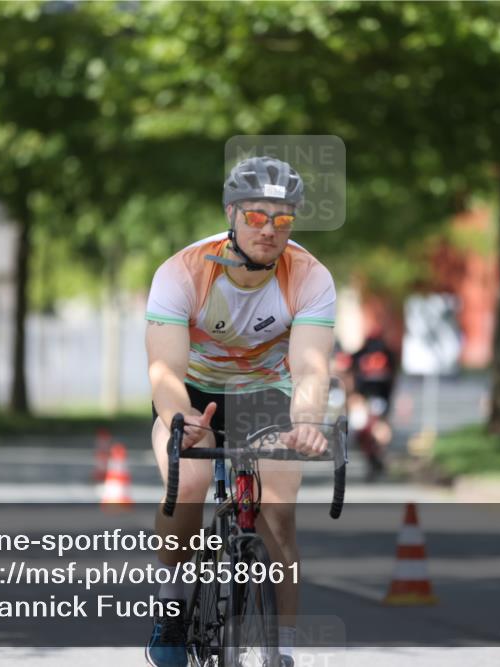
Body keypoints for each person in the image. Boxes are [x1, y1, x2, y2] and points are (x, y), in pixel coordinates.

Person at [145, 156, 335, 667]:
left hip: (266, 394)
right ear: (231, 213)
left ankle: (282, 650)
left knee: (280, 512)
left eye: (282, 218)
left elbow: (310, 366)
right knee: (187, 485)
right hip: (194, 395)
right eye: (256, 216)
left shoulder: (310, 276)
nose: (269, 229)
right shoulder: (183, 272)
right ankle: (172, 604)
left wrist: (308, 421)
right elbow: (164, 369)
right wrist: (180, 420)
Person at [349, 329, 396, 481]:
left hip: (377, 399)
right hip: (363, 400)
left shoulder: (386, 355)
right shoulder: (363, 355)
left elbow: (391, 380)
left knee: (377, 431)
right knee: (363, 432)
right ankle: (373, 458)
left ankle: (377, 457)